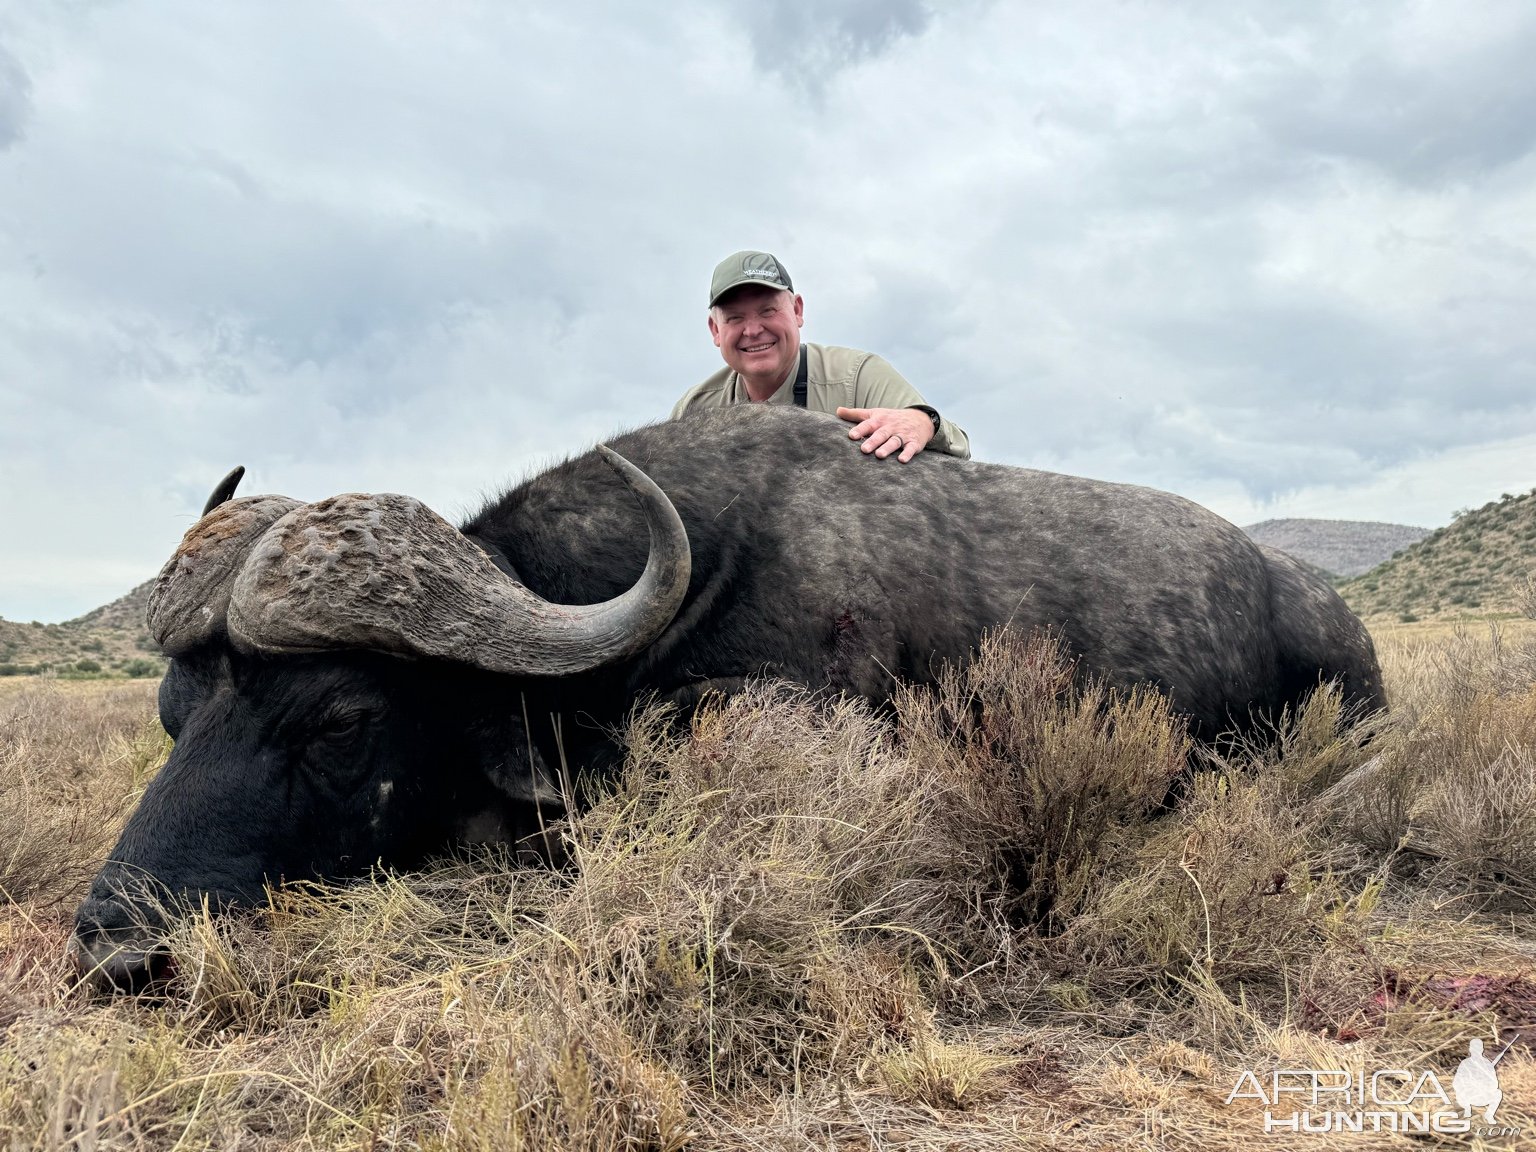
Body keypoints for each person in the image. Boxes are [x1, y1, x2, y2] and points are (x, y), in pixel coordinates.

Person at [671, 250, 971, 461]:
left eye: (768, 311)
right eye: (735, 318)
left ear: (797, 311)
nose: (752, 330)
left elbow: (959, 448)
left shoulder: (858, 376)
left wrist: (923, 422)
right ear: (715, 330)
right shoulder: (695, 409)